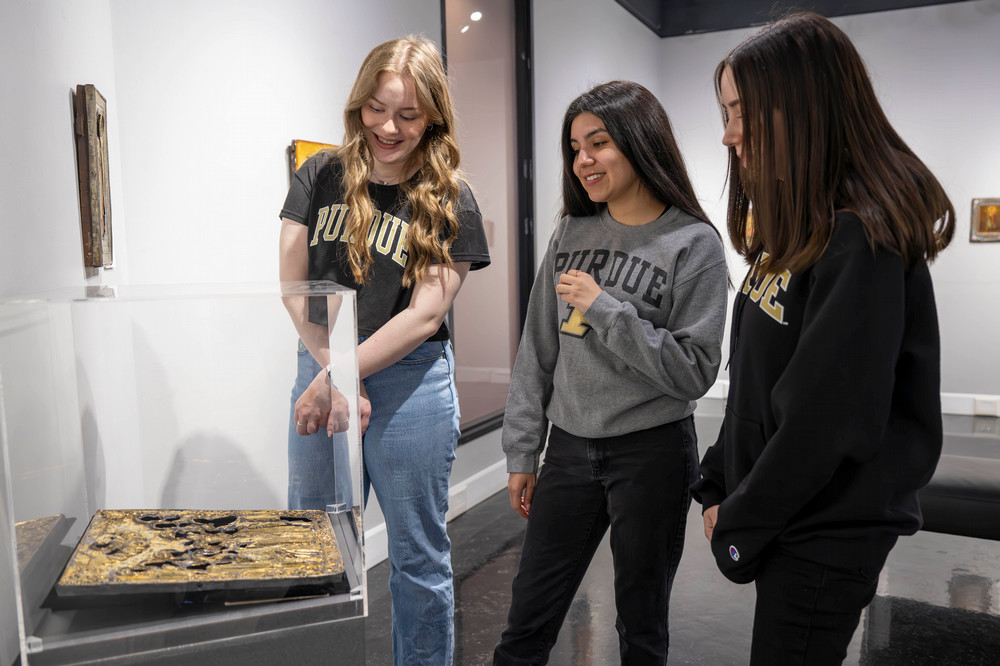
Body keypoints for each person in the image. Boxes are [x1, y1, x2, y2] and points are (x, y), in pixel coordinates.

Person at [691, 12, 955, 665]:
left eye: (741, 114)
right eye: (725, 113)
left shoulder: (858, 238)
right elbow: (759, 376)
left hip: (825, 529)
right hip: (787, 514)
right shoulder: (797, 231)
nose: (728, 136)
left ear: (803, 108)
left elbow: (827, 421)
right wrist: (717, 480)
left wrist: (740, 522)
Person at [494, 81, 729, 665]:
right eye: (575, 148)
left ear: (640, 142)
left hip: (651, 452)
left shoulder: (693, 243)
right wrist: (523, 450)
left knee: (642, 626)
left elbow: (694, 371)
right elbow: (537, 349)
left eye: (598, 143)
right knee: (527, 620)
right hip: (569, 450)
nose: (583, 161)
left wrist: (604, 309)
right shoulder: (572, 233)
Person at [278, 36, 490, 666]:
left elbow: (425, 316)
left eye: (408, 114)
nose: (388, 127)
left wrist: (343, 373)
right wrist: (331, 369)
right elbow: (293, 287)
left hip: (412, 385)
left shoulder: (453, 196)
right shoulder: (319, 175)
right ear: (357, 105)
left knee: (416, 561)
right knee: (315, 546)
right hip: (320, 366)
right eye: (375, 109)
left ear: (433, 119)